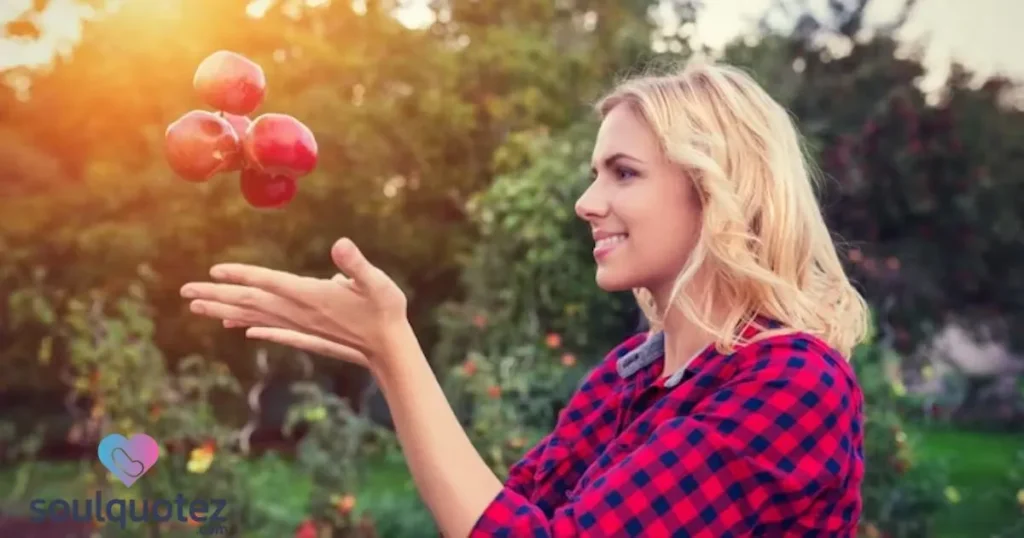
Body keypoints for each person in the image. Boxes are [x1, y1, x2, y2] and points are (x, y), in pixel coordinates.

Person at [179, 58, 870, 537]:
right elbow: (506, 516)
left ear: (717, 189)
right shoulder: (629, 375)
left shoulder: (794, 383)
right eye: (594, 173)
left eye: (623, 173)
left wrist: (394, 348)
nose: (586, 201)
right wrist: (385, 354)